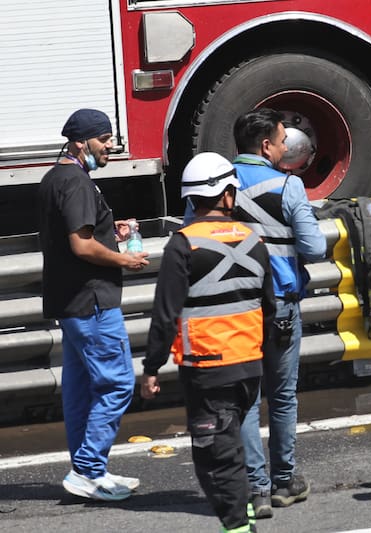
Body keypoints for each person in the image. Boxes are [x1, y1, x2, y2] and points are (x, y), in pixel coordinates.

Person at [141, 152, 276, 532]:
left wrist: (151, 368)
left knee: (216, 459)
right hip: (249, 366)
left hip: (207, 370)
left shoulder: (183, 245)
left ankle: (238, 526)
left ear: (191, 199)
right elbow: (269, 305)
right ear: (228, 195)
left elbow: (164, 315)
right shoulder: (254, 240)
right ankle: (244, 511)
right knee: (229, 449)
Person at [37, 108, 149, 502]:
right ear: (81, 142)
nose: (110, 147)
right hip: (92, 302)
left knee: (82, 389)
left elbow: (80, 232)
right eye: (104, 140)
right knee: (117, 384)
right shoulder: (78, 183)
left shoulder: (56, 177)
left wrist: (110, 231)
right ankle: (86, 469)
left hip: (70, 302)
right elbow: (81, 245)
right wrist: (126, 259)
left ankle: (90, 471)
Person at [223, 108, 326, 518]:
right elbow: (315, 248)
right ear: (266, 146)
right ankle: (285, 483)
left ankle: (257, 489)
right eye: (283, 141)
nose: (287, 147)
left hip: (235, 304)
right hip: (280, 302)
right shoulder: (289, 186)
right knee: (281, 396)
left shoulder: (218, 181)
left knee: (246, 400)